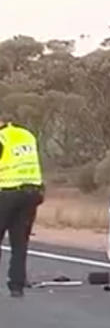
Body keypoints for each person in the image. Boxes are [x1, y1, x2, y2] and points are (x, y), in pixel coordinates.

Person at [0, 118, 45, 297]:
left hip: (6, 193)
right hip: (31, 193)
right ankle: (17, 285)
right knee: (19, 242)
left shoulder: (2, 138)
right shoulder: (27, 135)